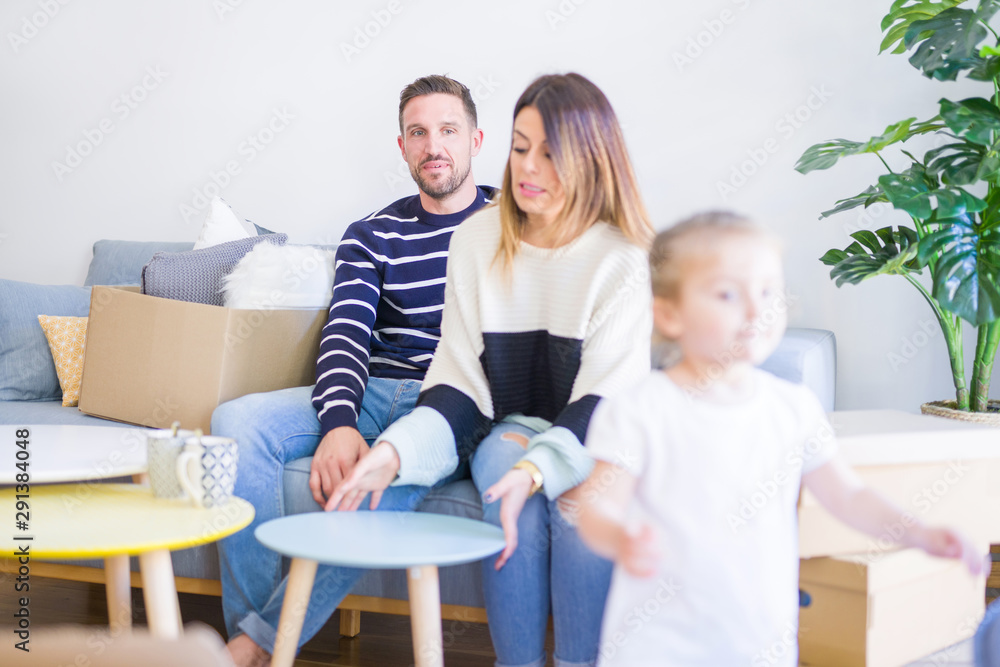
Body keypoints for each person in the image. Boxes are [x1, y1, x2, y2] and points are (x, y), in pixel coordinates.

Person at [328, 73, 654, 667]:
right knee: (506, 472)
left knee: (580, 501)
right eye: (521, 146)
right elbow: (459, 386)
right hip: (513, 425)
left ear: (592, 160)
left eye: (551, 153)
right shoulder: (478, 238)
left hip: (598, 430)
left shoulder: (620, 258)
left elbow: (605, 403)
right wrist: (395, 453)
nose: (528, 167)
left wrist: (540, 469)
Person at [576, 211, 985, 666]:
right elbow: (596, 504)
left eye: (768, 291)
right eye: (728, 293)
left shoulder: (792, 407)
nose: (756, 309)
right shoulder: (640, 409)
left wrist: (919, 532)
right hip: (658, 645)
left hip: (759, 641)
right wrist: (620, 536)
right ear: (670, 313)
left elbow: (848, 497)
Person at [213, 74, 492, 667]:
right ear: (402, 147)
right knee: (236, 420)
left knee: (390, 466)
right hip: (369, 392)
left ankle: (256, 646)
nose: (433, 146)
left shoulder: (511, 223)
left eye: (448, 130)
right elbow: (346, 333)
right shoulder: (371, 234)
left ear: (476, 140)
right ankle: (253, 626)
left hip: (446, 402)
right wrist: (338, 419)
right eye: (418, 133)